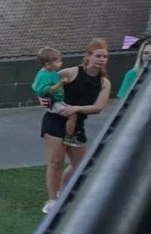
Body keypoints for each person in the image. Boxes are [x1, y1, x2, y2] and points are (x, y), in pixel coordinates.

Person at [42, 38, 113, 213]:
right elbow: (45, 86)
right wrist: (43, 99)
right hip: (56, 120)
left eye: (104, 57)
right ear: (88, 56)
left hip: (77, 122)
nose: (101, 59)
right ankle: (52, 200)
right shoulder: (72, 72)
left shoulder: (104, 83)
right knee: (56, 162)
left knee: (81, 164)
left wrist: (77, 109)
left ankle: (64, 191)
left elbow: (98, 107)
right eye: (98, 55)